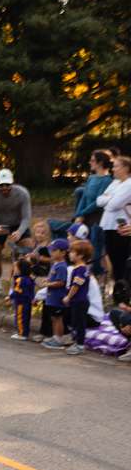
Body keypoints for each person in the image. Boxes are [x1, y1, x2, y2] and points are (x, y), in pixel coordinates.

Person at [0, 169, 32, 298]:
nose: (4, 188)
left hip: (17, 224)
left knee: (27, 250)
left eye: (7, 185)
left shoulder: (22, 194)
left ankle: (22, 285)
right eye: (1, 185)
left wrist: (19, 232)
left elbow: (26, 218)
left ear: (12, 183)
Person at [74, 150, 113, 279]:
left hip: (98, 217)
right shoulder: (91, 178)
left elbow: (98, 202)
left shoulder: (107, 180)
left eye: (92, 160)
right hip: (85, 216)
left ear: (100, 162)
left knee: (96, 247)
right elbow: (84, 197)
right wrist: (78, 215)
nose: (90, 162)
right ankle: (85, 272)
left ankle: (99, 274)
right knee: (83, 244)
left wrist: (82, 213)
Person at [96, 156, 131, 285]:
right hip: (107, 224)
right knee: (111, 256)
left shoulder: (129, 184)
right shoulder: (115, 183)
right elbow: (99, 201)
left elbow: (113, 204)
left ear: (126, 168)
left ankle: (123, 286)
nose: (113, 169)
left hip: (121, 226)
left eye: (116, 166)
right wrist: (110, 198)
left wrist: (109, 198)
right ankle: (119, 286)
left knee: (121, 258)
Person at [61, 240, 94, 356]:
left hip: (80, 301)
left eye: (72, 252)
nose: (69, 254)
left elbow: (76, 286)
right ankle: (76, 342)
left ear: (80, 255)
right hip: (78, 301)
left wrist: (68, 297)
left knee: (80, 323)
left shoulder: (81, 269)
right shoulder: (80, 268)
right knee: (75, 322)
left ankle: (80, 345)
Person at [40, 239, 72, 350]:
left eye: (54, 250)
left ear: (63, 253)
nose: (51, 253)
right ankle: (55, 336)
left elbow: (61, 282)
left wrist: (48, 283)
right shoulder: (55, 264)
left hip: (57, 298)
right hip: (51, 298)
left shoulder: (62, 266)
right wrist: (47, 280)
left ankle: (59, 339)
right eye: (51, 250)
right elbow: (52, 278)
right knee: (54, 318)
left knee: (58, 318)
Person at [8, 257, 37, 341]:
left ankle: (21, 334)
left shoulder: (20, 280)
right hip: (28, 302)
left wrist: (9, 297)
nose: (14, 269)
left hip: (21, 302)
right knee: (26, 318)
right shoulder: (30, 279)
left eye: (16, 268)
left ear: (21, 269)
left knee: (20, 318)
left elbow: (17, 291)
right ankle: (25, 333)